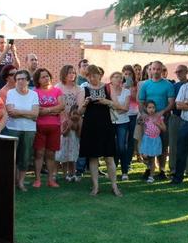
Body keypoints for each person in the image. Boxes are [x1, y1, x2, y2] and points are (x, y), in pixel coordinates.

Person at [78, 65, 121, 196]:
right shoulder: (83, 89)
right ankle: (95, 186)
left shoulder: (108, 87)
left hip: (106, 125)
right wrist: (85, 104)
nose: (92, 78)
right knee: (93, 157)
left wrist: (106, 101)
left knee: (109, 157)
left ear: (100, 75)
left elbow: (117, 105)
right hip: (90, 126)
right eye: (89, 76)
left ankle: (114, 186)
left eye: (94, 75)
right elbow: (79, 111)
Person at [138, 60, 175, 180]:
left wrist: (161, 112)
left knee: (163, 145)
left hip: (163, 119)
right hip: (148, 120)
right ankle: (149, 169)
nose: (156, 71)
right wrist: (143, 113)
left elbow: (171, 103)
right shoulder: (145, 85)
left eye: (158, 69)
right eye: (153, 69)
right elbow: (141, 101)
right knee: (147, 143)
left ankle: (162, 170)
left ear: (162, 70)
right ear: (150, 69)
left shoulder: (168, 85)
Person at [5, 70, 39, 191]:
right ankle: (12, 182)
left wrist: (19, 112)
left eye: (23, 79)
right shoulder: (11, 93)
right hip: (13, 129)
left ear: (28, 81)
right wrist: (28, 114)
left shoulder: (33, 94)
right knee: (12, 157)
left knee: (25, 157)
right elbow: (11, 113)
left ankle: (21, 183)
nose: (20, 81)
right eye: (18, 79)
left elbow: (36, 114)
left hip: (29, 130)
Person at [33, 68, 64, 187]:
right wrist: (52, 110)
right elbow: (37, 111)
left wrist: (47, 110)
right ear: (38, 80)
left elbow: (61, 106)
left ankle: (51, 180)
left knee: (51, 154)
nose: (46, 79)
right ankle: (37, 180)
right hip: (39, 126)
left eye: (47, 76)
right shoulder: (35, 92)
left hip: (55, 127)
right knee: (39, 153)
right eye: (43, 77)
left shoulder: (57, 91)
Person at [56, 65, 85, 181]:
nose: (72, 75)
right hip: (61, 121)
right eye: (69, 73)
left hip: (75, 121)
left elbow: (79, 106)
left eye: (73, 72)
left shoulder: (79, 89)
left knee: (73, 146)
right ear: (64, 74)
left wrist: (72, 120)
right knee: (63, 148)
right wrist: (64, 120)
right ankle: (65, 174)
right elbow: (58, 105)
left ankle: (73, 172)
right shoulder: (58, 87)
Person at [168, 65, 188, 176]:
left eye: (180, 71)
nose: (178, 73)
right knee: (173, 144)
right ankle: (173, 168)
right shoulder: (174, 86)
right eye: (176, 71)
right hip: (176, 117)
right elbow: (173, 104)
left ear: (186, 72)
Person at [109, 71, 132, 180]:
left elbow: (126, 108)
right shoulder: (107, 92)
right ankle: (112, 171)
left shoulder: (126, 91)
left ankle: (124, 172)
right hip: (110, 122)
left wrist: (114, 109)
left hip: (123, 122)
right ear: (111, 79)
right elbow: (108, 108)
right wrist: (119, 108)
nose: (118, 79)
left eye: (120, 77)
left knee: (122, 147)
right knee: (112, 147)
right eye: (116, 77)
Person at [139, 100, 166, 184]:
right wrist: (141, 121)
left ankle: (151, 176)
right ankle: (149, 166)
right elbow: (139, 123)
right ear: (146, 108)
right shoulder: (145, 117)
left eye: (153, 107)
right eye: (149, 107)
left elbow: (164, 129)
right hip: (147, 139)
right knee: (145, 156)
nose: (151, 109)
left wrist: (158, 124)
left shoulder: (159, 117)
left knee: (152, 158)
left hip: (155, 140)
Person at [122, 65, 140, 179]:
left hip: (133, 115)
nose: (127, 76)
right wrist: (124, 88)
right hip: (123, 116)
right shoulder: (120, 84)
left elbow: (138, 100)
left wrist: (130, 91)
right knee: (121, 142)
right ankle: (119, 162)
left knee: (131, 141)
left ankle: (127, 164)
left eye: (129, 74)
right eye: (125, 74)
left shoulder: (137, 85)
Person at [57, 106, 82, 182]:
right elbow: (63, 134)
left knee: (73, 159)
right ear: (69, 114)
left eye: (78, 114)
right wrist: (68, 127)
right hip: (65, 143)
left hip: (74, 143)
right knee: (65, 159)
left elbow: (79, 135)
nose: (76, 116)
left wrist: (79, 126)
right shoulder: (66, 121)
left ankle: (73, 174)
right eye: (74, 113)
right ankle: (65, 175)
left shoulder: (80, 122)